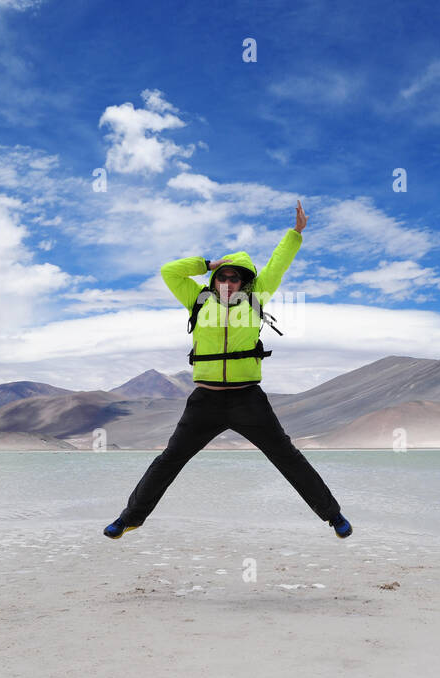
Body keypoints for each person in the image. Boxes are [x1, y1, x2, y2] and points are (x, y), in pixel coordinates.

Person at [104, 200, 352, 539]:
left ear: (245, 281)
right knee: (169, 459)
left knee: (287, 457)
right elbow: (169, 271)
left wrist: (295, 234)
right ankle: (129, 518)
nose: (228, 282)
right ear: (215, 278)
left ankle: (333, 515)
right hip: (205, 401)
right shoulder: (197, 299)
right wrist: (206, 262)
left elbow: (278, 265)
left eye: (235, 277)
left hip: (248, 400)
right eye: (223, 276)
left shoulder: (256, 298)